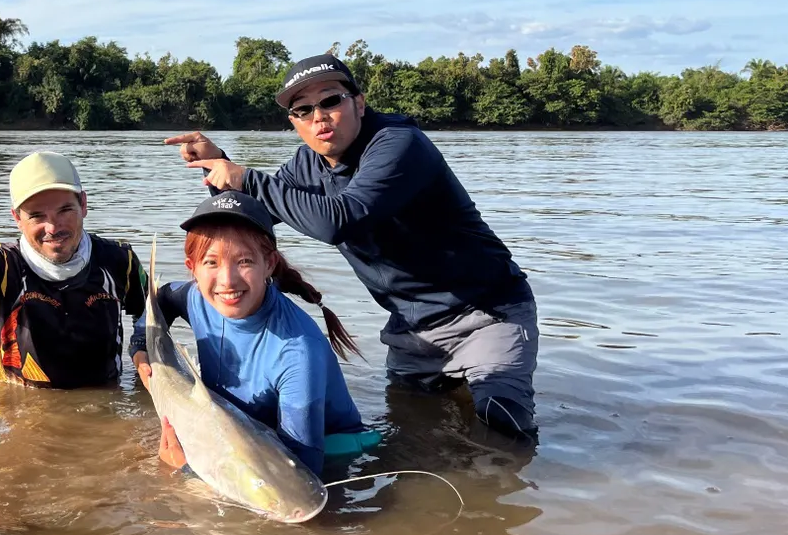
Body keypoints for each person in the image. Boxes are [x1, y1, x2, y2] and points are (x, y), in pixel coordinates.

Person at [165, 54, 540, 440]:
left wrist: (246, 177)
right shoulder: (308, 164)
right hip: (411, 327)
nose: (319, 117)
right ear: (294, 123)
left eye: (331, 101)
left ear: (359, 102)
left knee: (502, 425)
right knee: (412, 433)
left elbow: (338, 219)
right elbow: (259, 213)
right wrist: (220, 166)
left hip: (487, 312)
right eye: (303, 110)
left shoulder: (398, 144)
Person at [130, 190, 382, 476]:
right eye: (211, 262)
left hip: (328, 450)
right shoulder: (195, 297)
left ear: (269, 264)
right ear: (193, 269)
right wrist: (140, 349)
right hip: (247, 429)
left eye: (245, 261)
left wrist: (185, 469)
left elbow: (301, 473)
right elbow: (161, 299)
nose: (227, 281)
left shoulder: (298, 352)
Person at [0, 150, 147, 388]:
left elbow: (150, 312)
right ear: (17, 218)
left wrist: (141, 349)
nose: (53, 228)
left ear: (84, 204)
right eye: (36, 216)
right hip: (21, 413)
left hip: (105, 406)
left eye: (65, 210)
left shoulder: (120, 259)